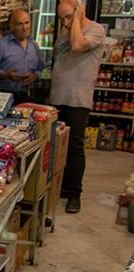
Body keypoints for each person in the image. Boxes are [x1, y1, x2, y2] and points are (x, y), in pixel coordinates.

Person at [49, 0, 105, 214]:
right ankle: (60, 186)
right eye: (61, 18)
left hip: (78, 100)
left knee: (74, 147)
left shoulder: (95, 31)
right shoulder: (65, 31)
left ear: (80, 10)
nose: (64, 22)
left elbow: (77, 46)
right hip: (58, 97)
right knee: (56, 146)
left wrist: (77, 19)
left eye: (68, 17)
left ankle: (74, 194)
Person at [0, 8, 44, 102]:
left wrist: (36, 76)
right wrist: (5, 75)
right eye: (20, 24)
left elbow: (41, 68)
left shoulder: (34, 45)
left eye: (27, 23)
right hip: (3, 96)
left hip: (26, 96)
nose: (25, 28)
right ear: (11, 26)